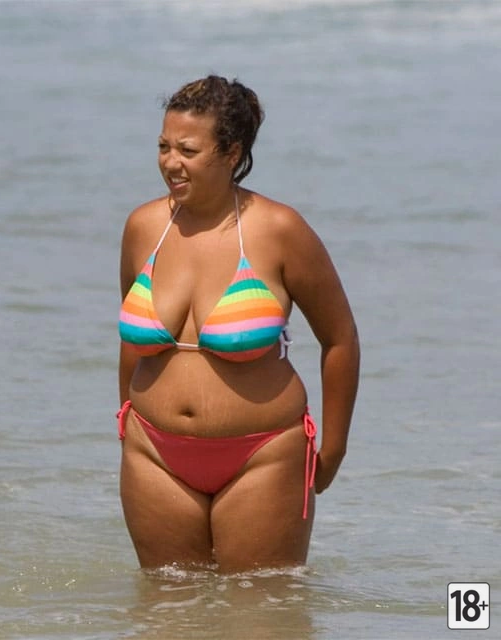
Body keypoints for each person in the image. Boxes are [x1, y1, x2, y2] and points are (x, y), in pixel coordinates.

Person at [117, 75, 360, 573]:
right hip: (154, 454)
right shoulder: (143, 227)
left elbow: (340, 340)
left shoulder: (278, 229)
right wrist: (126, 420)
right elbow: (132, 340)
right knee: (165, 608)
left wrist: (332, 450)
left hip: (263, 455)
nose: (170, 162)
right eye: (163, 146)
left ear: (232, 153)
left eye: (188, 150)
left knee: (260, 607)